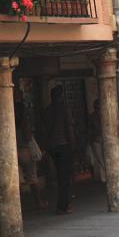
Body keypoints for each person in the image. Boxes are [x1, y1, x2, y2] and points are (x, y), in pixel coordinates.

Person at [43, 85, 76, 214]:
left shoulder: (47, 111)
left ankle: (63, 204)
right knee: (65, 177)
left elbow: (45, 130)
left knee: (60, 175)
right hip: (63, 145)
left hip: (52, 146)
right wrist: (73, 144)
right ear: (61, 96)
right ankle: (64, 205)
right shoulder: (64, 109)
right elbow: (69, 128)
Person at [15, 96, 48, 208]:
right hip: (25, 150)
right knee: (32, 178)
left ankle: (17, 205)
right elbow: (28, 137)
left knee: (17, 180)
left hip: (14, 151)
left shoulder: (10, 121)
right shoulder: (24, 122)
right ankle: (39, 202)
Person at [87, 99, 106, 183]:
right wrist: (93, 138)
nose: (98, 108)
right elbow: (89, 130)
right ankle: (104, 176)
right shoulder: (91, 117)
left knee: (105, 157)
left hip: (105, 138)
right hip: (96, 140)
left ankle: (104, 176)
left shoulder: (105, 115)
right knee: (100, 158)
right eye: (96, 106)